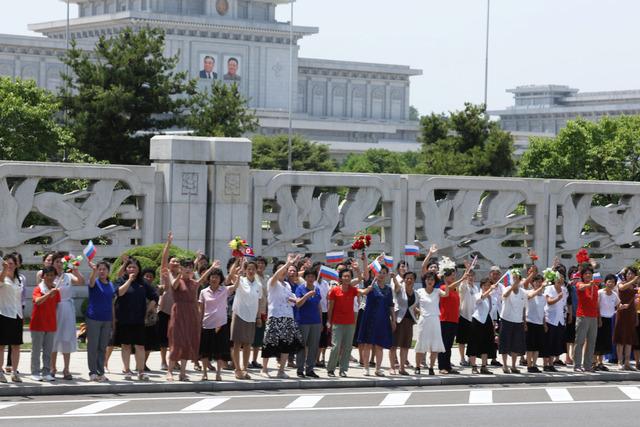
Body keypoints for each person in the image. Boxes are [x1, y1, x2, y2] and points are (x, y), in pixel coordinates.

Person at [262, 254, 308, 379]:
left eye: (285, 270)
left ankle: (281, 370)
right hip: (275, 317)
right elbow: (277, 275)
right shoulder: (272, 282)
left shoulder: (287, 285)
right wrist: (288, 263)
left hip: (288, 317)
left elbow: (295, 301)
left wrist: (306, 296)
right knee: (269, 343)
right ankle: (264, 369)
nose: (284, 272)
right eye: (282, 269)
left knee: (286, 345)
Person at [114, 258, 159, 380]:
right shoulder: (121, 280)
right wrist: (129, 280)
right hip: (124, 318)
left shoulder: (143, 283)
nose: (132, 269)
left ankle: (141, 371)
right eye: (129, 267)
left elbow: (155, 296)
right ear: (125, 269)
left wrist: (147, 310)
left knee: (140, 346)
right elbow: (119, 293)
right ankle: (127, 370)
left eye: (134, 267)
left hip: (139, 319)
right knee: (126, 345)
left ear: (139, 269)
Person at [415, 271, 462, 375]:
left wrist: (444, 280)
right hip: (424, 320)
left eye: (432, 279)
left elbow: (446, 294)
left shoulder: (437, 291)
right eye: (428, 279)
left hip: (435, 320)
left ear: (435, 281)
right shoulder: (419, 291)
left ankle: (431, 368)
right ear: (425, 280)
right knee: (421, 344)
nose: (430, 281)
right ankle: (417, 367)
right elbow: (413, 305)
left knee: (435, 345)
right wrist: (419, 311)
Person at [326, 267, 370, 378]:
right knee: (336, 346)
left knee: (347, 347)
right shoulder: (334, 290)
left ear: (350, 278)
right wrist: (328, 322)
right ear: (340, 278)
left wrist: (369, 288)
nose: (346, 278)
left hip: (350, 323)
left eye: (349, 276)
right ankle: (331, 369)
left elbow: (363, 291)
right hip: (337, 322)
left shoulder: (353, 289)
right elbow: (330, 308)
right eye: (344, 276)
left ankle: (343, 369)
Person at [51, 252, 85, 380]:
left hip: (67, 309)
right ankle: (52, 368)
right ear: (53, 263)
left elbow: (81, 282)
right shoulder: (49, 276)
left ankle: (66, 369)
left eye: (61, 262)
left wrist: (75, 269)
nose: (59, 264)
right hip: (54, 309)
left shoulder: (68, 276)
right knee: (53, 338)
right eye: (57, 262)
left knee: (66, 338)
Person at [165, 259, 201, 382]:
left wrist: (212, 268)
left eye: (190, 267)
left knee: (187, 342)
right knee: (176, 342)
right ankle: (169, 371)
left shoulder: (193, 283)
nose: (188, 269)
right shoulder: (177, 280)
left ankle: (182, 373)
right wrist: (180, 273)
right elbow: (174, 285)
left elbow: (199, 284)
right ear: (181, 269)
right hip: (179, 313)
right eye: (186, 267)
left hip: (191, 314)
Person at [357, 263, 395, 377]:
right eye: (380, 272)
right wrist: (364, 259)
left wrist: (393, 320)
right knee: (367, 344)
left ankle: (378, 369)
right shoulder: (371, 285)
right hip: (370, 318)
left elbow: (390, 305)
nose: (382, 275)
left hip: (383, 320)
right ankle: (366, 368)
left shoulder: (388, 289)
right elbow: (365, 273)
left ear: (387, 275)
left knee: (379, 345)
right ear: (375, 273)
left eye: (384, 273)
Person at [230, 258, 263, 380]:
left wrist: (258, 316)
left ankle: (245, 369)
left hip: (251, 317)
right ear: (245, 270)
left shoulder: (258, 284)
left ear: (256, 270)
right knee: (237, 343)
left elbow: (258, 302)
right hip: (239, 314)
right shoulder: (241, 280)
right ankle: (237, 369)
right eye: (248, 269)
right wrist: (237, 262)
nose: (251, 271)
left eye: (253, 269)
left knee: (248, 344)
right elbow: (231, 274)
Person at [198, 266, 231, 382]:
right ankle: (205, 373)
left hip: (221, 324)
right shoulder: (203, 292)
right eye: (212, 277)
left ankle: (218, 373)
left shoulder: (225, 290)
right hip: (206, 324)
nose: (214, 279)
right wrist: (199, 323)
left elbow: (236, 285)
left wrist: (240, 265)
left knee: (220, 351)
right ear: (209, 278)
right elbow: (201, 309)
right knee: (205, 351)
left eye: (217, 277)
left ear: (220, 279)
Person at [86, 260, 116, 382]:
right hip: (94, 318)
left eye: (104, 269)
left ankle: (100, 372)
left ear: (108, 271)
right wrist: (93, 271)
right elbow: (91, 282)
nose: (102, 271)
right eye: (100, 269)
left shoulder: (111, 284)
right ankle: (92, 372)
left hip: (107, 319)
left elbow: (112, 303)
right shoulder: (95, 281)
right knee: (93, 346)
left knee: (102, 347)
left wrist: (113, 321)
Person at [30, 266, 60, 382]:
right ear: (43, 276)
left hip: (51, 324)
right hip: (37, 324)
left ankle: (46, 372)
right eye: (47, 275)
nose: (50, 277)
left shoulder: (56, 290)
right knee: (36, 350)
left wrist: (52, 293)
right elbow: (37, 302)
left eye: (52, 275)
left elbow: (56, 306)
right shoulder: (38, 289)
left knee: (48, 350)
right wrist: (48, 294)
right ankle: (35, 372)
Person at [0, 254, 24, 383]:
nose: (10, 265)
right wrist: (3, 270)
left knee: (16, 346)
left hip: (17, 315)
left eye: (12, 263)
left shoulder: (19, 278)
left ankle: (14, 372)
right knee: (1, 345)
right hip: (4, 314)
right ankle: (0, 371)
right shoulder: (2, 276)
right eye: (8, 263)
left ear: (16, 265)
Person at [295, 269, 323, 378]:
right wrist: (307, 295)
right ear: (305, 278)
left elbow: (319, 306)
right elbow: (298, 304)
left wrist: (321, 322)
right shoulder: (300, 288)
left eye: (312, 277)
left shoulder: (317, 289)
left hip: (315, 321)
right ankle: (300, 369)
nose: (310, 279)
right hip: (303, 321)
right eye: (308, 276)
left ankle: (310, 369)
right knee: (302, 346)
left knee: (313, 346)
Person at [437, 257, 463, 375]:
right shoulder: (443, 288)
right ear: (445, 276)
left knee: (449, 345)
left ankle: (448, 366)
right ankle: (442, 366)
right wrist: (463, 278)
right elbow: (449, 287)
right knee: (444, 345)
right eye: (451, 275)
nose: (453, 276)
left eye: (454, 274)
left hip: (453, 320)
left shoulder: (455, 289)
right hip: (445, 320)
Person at [499, 269, 527, 374]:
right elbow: (505, 296)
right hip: (506, 319)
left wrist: (524, 322)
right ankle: (505, 365)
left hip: (518, 321)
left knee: (516, 344)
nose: (515, 280)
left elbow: (524, 308)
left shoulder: (523, 292)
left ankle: (514, 366)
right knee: (505, 344)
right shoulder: (506, 288)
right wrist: (512, 287)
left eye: (517, 278)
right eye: (513, 278)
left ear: (520, 280)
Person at [157, 232, 179, 371]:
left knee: (175, 338)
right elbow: (163, 259)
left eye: (177, 262)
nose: (175, 263)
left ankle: (174, 360)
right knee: (164, 338)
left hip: (177, 311)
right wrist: (168, 244)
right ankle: (163, 361)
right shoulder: (165, 273)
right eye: (173, 261)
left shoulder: (181, 276)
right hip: (164, 309)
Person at [390, 271, 419, 375]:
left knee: (405, 345)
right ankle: (392, 367)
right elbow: (396, 286)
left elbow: (415, 307)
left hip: (409, 322)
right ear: (404, 279)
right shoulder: (400, 290)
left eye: (411, 278)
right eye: (407, 278)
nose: (409, 280)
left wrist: (419, 312)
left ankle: (402, 368)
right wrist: (394, 278)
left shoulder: (416, 294)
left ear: (414, 280)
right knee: (393, 345)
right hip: (398, 320)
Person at [466, 278, 496, 375]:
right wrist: (490, 290)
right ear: (481, 286)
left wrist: (492, 321)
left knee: (486, 344)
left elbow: (491, 311)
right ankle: (474, 366)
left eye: (488, 285)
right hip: (477, 321)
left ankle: (484, 366)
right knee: (474, 344)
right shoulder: (477, 294)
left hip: (487, 321)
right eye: (485, 285)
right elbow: (480, 299)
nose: (487, 287)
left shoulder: (491, 297)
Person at [573, 266, 599, 372]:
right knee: (580, 341)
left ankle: (587, 365)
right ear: (582, 276)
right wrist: (589, 284)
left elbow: (596, 303)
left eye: (590, 273)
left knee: (592, 342)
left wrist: (599, 317)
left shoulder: (596, 287)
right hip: (583, 316)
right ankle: (577, 365)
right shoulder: (580, 283)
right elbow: (581, 288)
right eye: (586, 273)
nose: (588, 275)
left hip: (594, 317)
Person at [542, 271, 568, 372]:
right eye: (559, 277)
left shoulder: (564, 290)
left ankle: (551, 363)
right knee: (547, 342)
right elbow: (548, 301)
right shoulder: (550, 288)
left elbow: (564, 305)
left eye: (562, 277)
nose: (561, 279)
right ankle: (545, 364)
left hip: (560, 319)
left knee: (555, 342)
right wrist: (557, 298)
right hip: (550, 319)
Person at [613, 267, 639, 370]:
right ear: (625, 275)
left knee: (629, 339)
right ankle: (620, 361)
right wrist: (633, 281)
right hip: (621, 312)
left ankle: (627, 362)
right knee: (620, 338)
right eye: (628, 274)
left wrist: (636, 316)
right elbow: (622, 289)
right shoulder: (621, 283)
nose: (630, 275)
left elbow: (634, 302)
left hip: (631, 313)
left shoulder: (635, 286)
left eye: (632, 274)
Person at [596, 274, 620, 370]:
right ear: (605, 282)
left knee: (605, 342)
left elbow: (618, 304)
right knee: (597, 341)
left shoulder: (614, 294)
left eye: (613, 282)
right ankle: (594, 362)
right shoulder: (600, 292)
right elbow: (597, 307)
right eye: (609, 281)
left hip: (609, 319)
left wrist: (623, 306)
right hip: (600, 319)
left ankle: (600, 362)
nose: (611, 283)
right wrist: (599, 319)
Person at [250, 256, 269, 369]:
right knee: (248, 337)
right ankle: (246, 360)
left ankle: (254, 360)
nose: (260, 265)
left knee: (258, 338)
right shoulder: (253, 277)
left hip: (263, 311)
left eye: (262, 263)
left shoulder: (266, 277)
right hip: (252, 311)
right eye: (259, 263)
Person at [525, 274, 546, 373]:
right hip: (530, 322)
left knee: (537, 347)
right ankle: (529, 365)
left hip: (539, 323)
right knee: (530, 346)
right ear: (533, 283)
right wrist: (540, 288)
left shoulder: (543, 296)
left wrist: (544, 323)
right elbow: (530, 297)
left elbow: (543, 312)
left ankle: (534, 364)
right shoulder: (529, 292)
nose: (538, 283)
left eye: (540, 282)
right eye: (537, 281)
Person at [457, 269, 476, 368]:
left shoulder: (476, 288)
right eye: (469, 276)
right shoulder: (464, 286)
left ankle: (470, 358)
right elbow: (462, 285)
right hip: (464, 316)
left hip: (473, 317)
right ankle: (462, 358)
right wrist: (465, 274)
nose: (471, 277)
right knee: (462, 340)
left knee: (472, 340)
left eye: (472, 275)